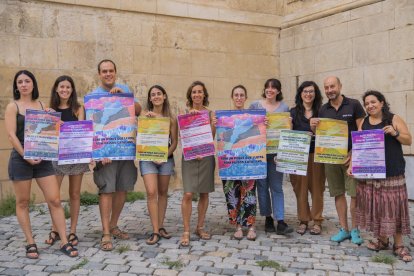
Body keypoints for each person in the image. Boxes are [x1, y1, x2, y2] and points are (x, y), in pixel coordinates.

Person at [5, 70, 78, 258]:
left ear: (33, 84)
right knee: (23, 202)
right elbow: (11, 136)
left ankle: (64, 241)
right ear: (16, 86)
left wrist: (53, 119)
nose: (23, 84)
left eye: (27, 81)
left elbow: (48, 130)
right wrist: (26, 155)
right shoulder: (12, 106)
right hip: (21, 160)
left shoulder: (41, 105)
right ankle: (30, 243)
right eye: (20, 82)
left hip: (43, 159)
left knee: (54, 200)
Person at [348, 90, 412, 261]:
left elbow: (408, 140)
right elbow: (358, 145)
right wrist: (353, 164)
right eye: (367, 103)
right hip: (371, 172)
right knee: (377, 207)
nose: (370, 106)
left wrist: (395, 133)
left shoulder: (393, 119)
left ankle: (398, 244)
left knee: (394, 208)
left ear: (382, 102)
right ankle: (382, 240)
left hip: (392, 172)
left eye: (373, 102)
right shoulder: (364, 122)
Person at [88, 59, 142, 251]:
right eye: (104, 71)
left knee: (122, 189)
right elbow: (91, 127)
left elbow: (138, 111)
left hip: (125, 151)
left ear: (116, 72)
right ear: (99, 74)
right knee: (106, 190)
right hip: (106, 155)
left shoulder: (124, 89)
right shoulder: (93, 97)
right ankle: (105, 233)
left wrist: (125, 98)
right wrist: (97, 153)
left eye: (111, 70)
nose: (108, 74)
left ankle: (114, 224)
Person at [310, 76, 365, 244]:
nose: (329, 90)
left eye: (332, 86)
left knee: (354, 195)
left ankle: (355, 230)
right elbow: (321, 136)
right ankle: (344, 229)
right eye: (326, 87)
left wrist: (354, 152)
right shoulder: (322, 109)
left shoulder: (354, 104)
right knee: (337, 193)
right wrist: (313, 127)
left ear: (340, 86)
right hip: (331, 158)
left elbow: (362, 130)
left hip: (351, 158)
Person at [44, 75, 90, 247]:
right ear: (56, 89)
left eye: (68, 87)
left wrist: (61, 123)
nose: (64, 90)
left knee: (75, 194)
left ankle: (73, 230)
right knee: (54, 196)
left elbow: (80, 130)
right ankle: (55, 228)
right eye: (61, 87)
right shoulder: (50, 110)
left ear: (72, 90)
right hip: (56, 156)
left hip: (76, 155)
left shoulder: (78, 109)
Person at [249, 78, 293, 235]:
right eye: (267, 87)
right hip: (259, 152)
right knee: (262, 187)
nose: (270, 90)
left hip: (276, 154)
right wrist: (259, 123)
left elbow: (287, 131)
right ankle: (267, 217)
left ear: (278, 91)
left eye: (273, 88)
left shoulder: (284, 107)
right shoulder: (255, 105)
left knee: (277, 187)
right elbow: (248, 125)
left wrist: (289, 124)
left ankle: (280, 220)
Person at [139, 85, 178, 245]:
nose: (156, 96)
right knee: (151, 192)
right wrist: (146, 120)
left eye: (159, 94)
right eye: (153, 94)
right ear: (150, 98)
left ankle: (161, 226)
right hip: (147, 159)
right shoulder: (144, 115)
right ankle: (155, 230)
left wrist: (164, 156)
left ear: (164, 96)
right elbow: (140, 137)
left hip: (165, 160)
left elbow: (174, 143)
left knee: (162, 193)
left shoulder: (171, 119)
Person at [180, 81, 216, 247]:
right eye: (194, 92)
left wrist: (213, 125)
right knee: (188, 193)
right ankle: (186, 230)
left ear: (204, 95)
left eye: (200, 92)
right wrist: (190, 118)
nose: (197, 95)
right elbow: (183, 137)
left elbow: (211, 137)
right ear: (190, 95)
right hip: (190, 157)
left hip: (206, 157)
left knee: (204, 193)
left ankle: (199, 227)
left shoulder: (210, 113)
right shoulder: (184, 113)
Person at [289, 81, 325, 235]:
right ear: (300, 94)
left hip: (316, 154)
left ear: (315, 94)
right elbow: (288, 134)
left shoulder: (322, 111)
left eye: (311, 91)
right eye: (305, 91)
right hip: (298, 155)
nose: (308, 94)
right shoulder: (293, 112)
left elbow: (327, 134)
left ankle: (317, 221)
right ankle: (303, 219)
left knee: (317, 188)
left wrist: (315, 133)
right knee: (300, 188)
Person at [222, 85, 257, 240]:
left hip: (247, 161)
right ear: (232, 97)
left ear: (245, 98)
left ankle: (250, 226)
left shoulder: (252, 118)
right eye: (236, 95)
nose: (239, 98)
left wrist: (265, 123)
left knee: (249, 194)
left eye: (241, 95)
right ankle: (237, 226)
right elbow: (222, 139)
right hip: (230, 162)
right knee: (233, 194)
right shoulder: (225, 118)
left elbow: (258, 136)